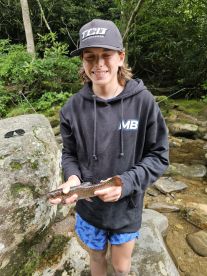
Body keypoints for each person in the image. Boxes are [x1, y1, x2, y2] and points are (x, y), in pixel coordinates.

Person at [50, 19, 169, 276]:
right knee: (96, 259)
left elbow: (159, 156)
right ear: (82, 60)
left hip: (127, 208)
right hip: (88, 209)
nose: (99, 64)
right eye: (90, 56)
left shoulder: (144, 102)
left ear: (121, 57)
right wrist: (72, 178)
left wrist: (125, 183)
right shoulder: (71, 108)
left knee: (122, 266)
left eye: (106, 55)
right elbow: (69, 153)